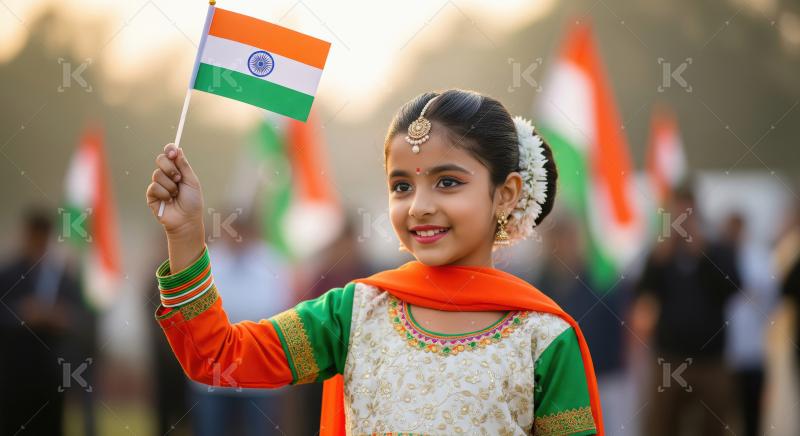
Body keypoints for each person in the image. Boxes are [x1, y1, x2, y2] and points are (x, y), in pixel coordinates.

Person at [145, 89, 603, 435]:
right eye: (402, 186)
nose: (418, 206)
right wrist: (185, 234)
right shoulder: (354, 313)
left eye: (447, 182)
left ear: (505, 194)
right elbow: (219, 358)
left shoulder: (544, 338)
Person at [632, 186, 741, 436]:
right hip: (669, 358)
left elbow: (733, 286)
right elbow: (642, 291)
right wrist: (660, 257)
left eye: (687, 211)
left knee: (714, 425)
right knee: (662, 424)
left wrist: (703, 253)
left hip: (710, 360)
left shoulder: (717, 249)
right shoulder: (662, 253)